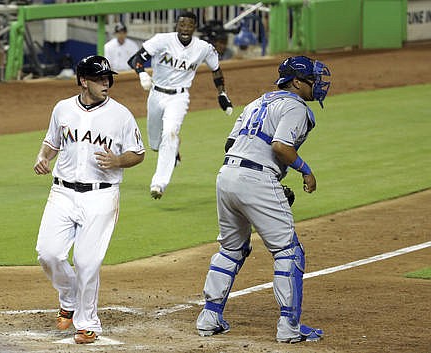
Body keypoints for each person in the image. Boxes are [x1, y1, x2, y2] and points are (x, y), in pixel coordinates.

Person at [196, 56, 331, 343]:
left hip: (227, 176)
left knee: (231, 249)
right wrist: (306, 172)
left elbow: (230, 144)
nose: (317, 85)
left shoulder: (257, 102)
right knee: (289, 252)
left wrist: (264, 186)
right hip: (255, 179)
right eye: (312, 80)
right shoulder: (295, 106)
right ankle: (289, 328)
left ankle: (209, 317)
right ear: (296, 82)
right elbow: (280, 146)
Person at [33, 55, 145, 345]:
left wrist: (118, 159)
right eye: (99, 78)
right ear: (84, 80)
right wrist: (42, 157)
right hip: (62, 193)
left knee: (86, 262)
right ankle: (68, 296)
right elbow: (51, 142)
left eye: (109, 78)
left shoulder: (120, 115)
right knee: (48, 253)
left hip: (101, 196)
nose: (106, 83)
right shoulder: (62, 109)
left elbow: (138, 152)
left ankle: (87, 322)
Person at [127, 10, 233, 199]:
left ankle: (158, 184)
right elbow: (135, 59)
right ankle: (173, 148)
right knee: (155, 144)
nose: (185, 29)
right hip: (156, 93)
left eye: (189, 25)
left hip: (179, 97)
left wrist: (222, 93)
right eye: (182, 25)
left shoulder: (203, 48)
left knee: (170, 134)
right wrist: (142, 73)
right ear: (176, 25)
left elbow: (216, 69)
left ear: (195, 28)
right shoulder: (162, 40)